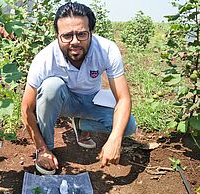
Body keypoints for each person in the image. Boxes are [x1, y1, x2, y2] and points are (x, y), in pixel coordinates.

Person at [21, 2, 137, 175]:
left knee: (128, 127)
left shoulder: (107, 50)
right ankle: (47, 149)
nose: (75, 42)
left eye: (82, 34)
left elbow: (123, 98)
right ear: (57, 35)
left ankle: (81, 124)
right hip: (63, 102)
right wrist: (40, 147)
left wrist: (115, 139)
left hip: (92, 100)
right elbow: (26, 109)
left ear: (91, 32)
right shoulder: (44, 59)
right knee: (51, 86)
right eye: (67, 36)